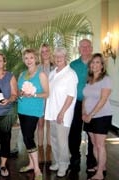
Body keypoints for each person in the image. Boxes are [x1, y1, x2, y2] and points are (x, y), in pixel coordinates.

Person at [44, 47, 78, 177]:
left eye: (61, 56)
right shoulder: (53, 73)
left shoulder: (70, 74)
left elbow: (71, 96)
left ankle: (64, 164)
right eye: (56, 56)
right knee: (54, 139)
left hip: (63, 114)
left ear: (66, 57)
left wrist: (62, 113)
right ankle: (57, 161)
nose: (58, 58)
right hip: (52, 112)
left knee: (62, 141)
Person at [18, 48, 49, 180]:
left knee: (28, 138)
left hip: (34, 110)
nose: (29, 60)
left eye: (31, 57)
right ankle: (31, 164)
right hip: (22, 109)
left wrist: (34, 94)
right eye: (26, 58)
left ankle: (37, 169)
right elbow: (19, 90)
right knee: (26, 137)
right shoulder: (22, 74)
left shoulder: (41, 74)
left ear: (36, 59)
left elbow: (47, 93)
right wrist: (20, 93)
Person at [82, 53, 112, 180]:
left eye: (98, 62)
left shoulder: (106, 79)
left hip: (101, 116)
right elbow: (85, 98)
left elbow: (103, 99)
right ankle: (102, 166)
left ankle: (99, 173)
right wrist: (84, 113)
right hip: (88, 116)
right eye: (93, 62)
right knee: (94, 144)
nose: (94, 64)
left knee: (100, 145)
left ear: (102, 65)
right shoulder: (89, 80)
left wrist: (91, 115)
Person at [69, 39, 96, 172]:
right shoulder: (73, 65)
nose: (85, 49)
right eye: (82, 47)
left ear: (91, 48)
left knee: (92, 132)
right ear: (79, 49)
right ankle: (75, 158)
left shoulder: (96, 63)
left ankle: (91, 159)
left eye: (87, 46)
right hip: (76, 103)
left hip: (93, 104)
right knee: (74, 132)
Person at [37, 43, 54, 163]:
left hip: (52, 99)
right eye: (42, 51)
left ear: (50, 52)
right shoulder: (38, 67)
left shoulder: (56, 67)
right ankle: (40, 149)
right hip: (40, 99)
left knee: (50, 125)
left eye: (47, 50)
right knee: (40, 125)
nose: (45, 53)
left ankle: (49, 149)